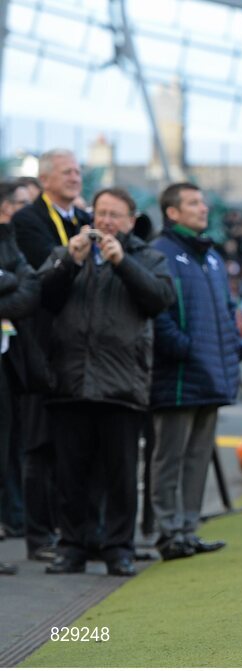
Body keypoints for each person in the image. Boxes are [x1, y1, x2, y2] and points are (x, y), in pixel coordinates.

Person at [39, 188, 173, 576]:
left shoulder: (149, 257)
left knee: (120, 475)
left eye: (115, 215)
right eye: (100, 213)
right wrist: (68, 262)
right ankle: (72, 547)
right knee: (70, 474)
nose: (106, 222)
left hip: (121, 384)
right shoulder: (72, 251)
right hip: (71, 381)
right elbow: (42, 295)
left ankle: (118, 549)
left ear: (131, 220)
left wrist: (123, 263)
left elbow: (160, 299)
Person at [149, 182, 239, 561]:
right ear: (172, 212)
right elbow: (157, 312)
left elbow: (227, 311)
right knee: (170, 455)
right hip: (180, 374)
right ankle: (169, 532)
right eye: (193, 203)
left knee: (198, 455)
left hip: (210, 372)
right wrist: (181, 347)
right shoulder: (160, 252)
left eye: (203, 201)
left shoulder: (211, 256)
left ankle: (188, 528)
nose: (203, 208)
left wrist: (232, 349)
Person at [11, 149, 92, 562]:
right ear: (45, 179)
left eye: (78, 171)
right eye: (67, 172)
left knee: (73, 444)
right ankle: (39, 535)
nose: (75, 177)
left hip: (80, 348)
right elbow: (44, 278)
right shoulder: (28, 221)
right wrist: (72, 256)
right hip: (42, 347)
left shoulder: (84, 219)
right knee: (39, 444)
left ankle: (73, 531)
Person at [0, 182, 41, 575]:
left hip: (12, 362)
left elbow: (30, 290)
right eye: (22, 205)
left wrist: (8, 280)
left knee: (10, 447)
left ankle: (12, 516)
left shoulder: (14, 240)